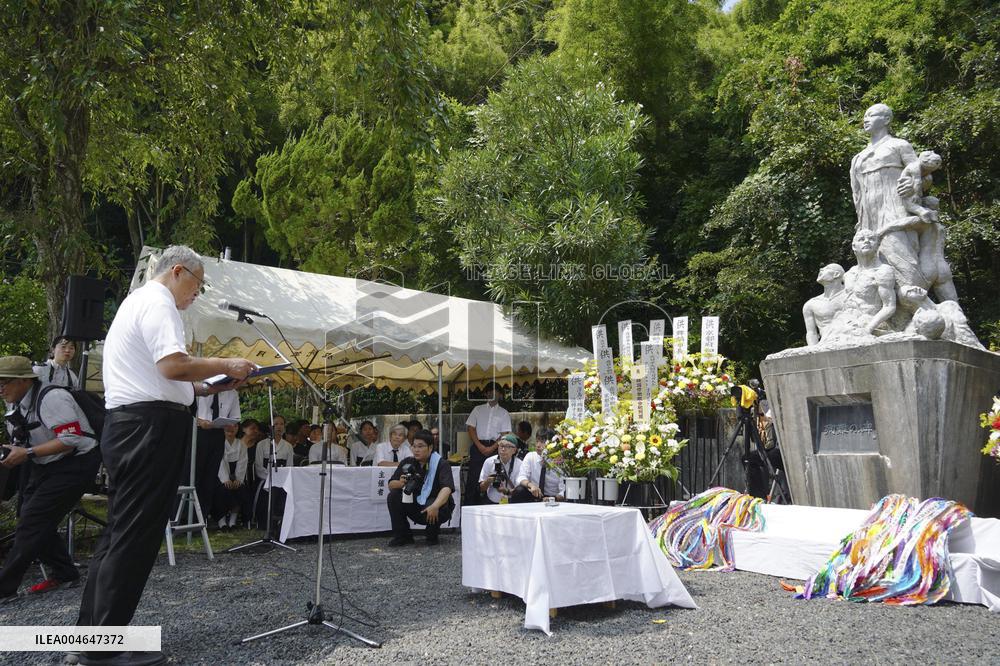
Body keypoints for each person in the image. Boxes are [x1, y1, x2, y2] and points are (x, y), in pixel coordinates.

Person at [76, 245, 255, 666]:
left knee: (121, 531)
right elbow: (173, 366)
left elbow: (166, 378)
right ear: (178, 271)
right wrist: (227, 362)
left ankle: (89, 637)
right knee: (136, 536)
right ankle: (104, 648)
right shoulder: (159, 303)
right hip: (148, 427)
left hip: (132, 424)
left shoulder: (136, 303)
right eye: (197, 284)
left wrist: (209, 386)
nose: (197, 294)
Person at [0, 356, 101, 602]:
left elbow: (71, 439)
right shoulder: (16, 403)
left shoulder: (52, 398)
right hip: (45, 463)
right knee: (29, 516)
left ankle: (5, 588)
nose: (0, 389)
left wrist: (27, 453)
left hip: (76, 462)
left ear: (24, 381)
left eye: (4, 382)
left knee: (32, 520)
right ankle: (65, 573)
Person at [385, 430, 454, 547]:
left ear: (430, 447)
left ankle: (432, 533)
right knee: (394, 495)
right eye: (414, 446)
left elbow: (447, 488)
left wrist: (435, 506)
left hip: (435, 507)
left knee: (435, 502)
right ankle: (403, 535)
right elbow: (391, 484)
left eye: (420, 446)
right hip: (415, 505)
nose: (416, 450)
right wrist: (400, 483)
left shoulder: (441, 464)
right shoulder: (408, 462)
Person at [192, 387, 240, 521]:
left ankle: (202, 518)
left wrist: (230, 424)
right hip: (198, 431)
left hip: (218, 434)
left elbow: (235, 416)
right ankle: (186, 516)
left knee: (210, 477)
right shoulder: (200, 387)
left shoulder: (232, 392)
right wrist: (200, 421)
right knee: (194, 474)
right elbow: (188, 411)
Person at [464, 382, 512, 505]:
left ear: (500, 394)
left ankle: (488, 504)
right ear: (485, 393)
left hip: (496, 448)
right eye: (489, 391)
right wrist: (480, 446)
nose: (492, 393)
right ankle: (470, 507)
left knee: (494, 477)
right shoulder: (477, 409)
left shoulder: (504, 413)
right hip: (477, 446)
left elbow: (504, 434)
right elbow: (470, 428)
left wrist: (491, 448)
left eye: (495, 391)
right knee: (473, 478)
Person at [512, 428, 565, 502]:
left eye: (542, 442)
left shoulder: (560, 461)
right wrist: (531, 485)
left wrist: (553, 499)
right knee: (519, 490)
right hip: (534, 493)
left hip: (553, 498)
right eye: (537, 441)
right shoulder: (530, 456)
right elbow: (521, 477)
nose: (538, 445)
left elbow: (564, 492)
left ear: (553, 444)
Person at [802, 264, 847, 346]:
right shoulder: (811, 304)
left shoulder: (850, 295)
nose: (821, 269)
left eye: (826, 268)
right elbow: (811, 333)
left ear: (836, 274)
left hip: (852, 340)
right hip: (827, 344)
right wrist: (813, 351)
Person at [212, 423, 246, 529]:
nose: (231, 429)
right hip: (219, 476)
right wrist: (225, 479)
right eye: (228, 426)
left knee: (241, 489)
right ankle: (221, 520)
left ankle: (233, 520)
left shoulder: (241, 444)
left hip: (235, 475)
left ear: (238, 428)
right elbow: (220, 462)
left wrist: (238, 479)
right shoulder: (219, 443)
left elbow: (242, 462)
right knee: (221, 490)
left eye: (235, 426)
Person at [478, 434, 522, 504]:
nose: (503, 449)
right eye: (501, 445)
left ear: (514, 450)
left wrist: (506, 491)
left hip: (512, 502)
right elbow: (481, 489)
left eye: (507, 446)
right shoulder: (489, 461)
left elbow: (520, 491)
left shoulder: (520, 464)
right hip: (491, 502)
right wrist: (488, 481)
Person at [253, 414, 294, 482]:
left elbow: (290, 466)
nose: (279, 426)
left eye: (282, 424)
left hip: (283, 481)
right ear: (270, 426)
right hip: (265, 480)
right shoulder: (261, 444)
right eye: (276, 424)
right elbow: (258, 467)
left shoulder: (288, 446)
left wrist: (281, 479)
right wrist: (271, 478)